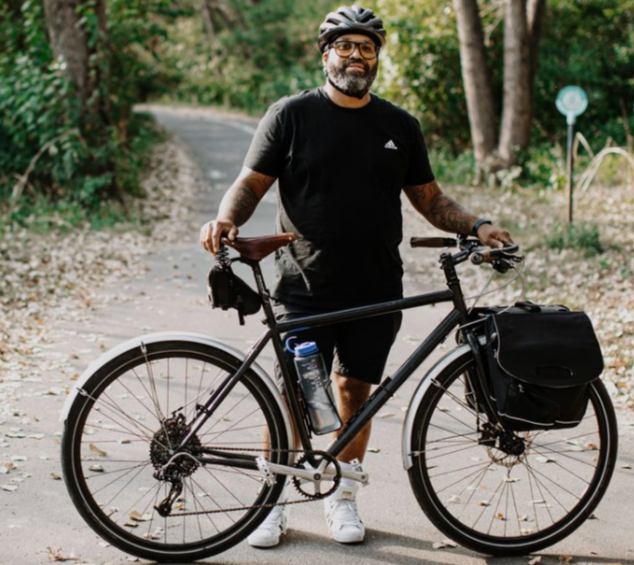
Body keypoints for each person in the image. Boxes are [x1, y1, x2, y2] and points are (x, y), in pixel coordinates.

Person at [199, 4, 513, 549]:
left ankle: (342, 493)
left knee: (355, 391)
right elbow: (250, 183)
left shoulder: (399, 126)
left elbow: (431, 200)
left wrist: (478, 225)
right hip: (304, 284)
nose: (356, 56)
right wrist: (227, 217)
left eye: (366, 48)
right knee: (295, 395)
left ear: (376, 59)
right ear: (326, 56)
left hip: (375, 286)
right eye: (344, 46)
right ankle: (272, 498)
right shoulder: (291, 115)